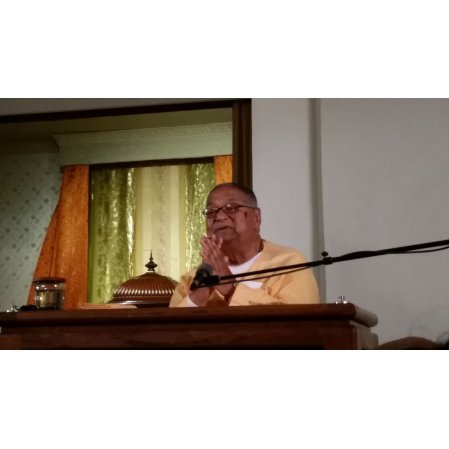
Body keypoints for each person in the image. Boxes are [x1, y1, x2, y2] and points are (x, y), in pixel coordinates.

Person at [169, 183, 320, 307]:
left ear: (256, 218)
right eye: (211, 211)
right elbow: (169, 334)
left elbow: (299, 326)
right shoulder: (191, 279)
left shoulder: (290, 264)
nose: (219, 217)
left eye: (231, 208)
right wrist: (199, 294)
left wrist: (230, 288)